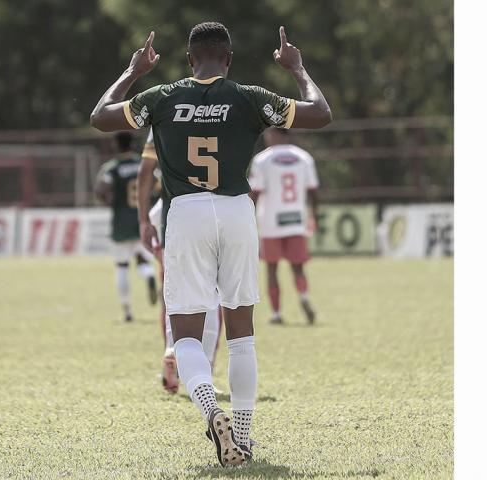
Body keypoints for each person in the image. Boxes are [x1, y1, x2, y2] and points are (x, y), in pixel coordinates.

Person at [90, 22, 332, 467]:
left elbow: (101, 116)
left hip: (185, 212)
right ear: (229, 59)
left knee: (185, 335)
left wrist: (132, 72)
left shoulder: (162, 97)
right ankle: (241, 435)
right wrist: (298, 69)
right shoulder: (251, 97)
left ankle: (210, 411)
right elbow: (320, 113)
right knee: (242, 335)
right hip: (238, 210)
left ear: (188, 60)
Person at [142, 129, 223, 394]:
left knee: (173, 297)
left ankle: (171, 346)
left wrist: (144, 221)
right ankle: (206, 370)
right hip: (215, 218)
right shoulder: (225, 111)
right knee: (213, 300)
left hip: (174, 221)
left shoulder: (165, 118)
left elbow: (146, 170)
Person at [249, 128, 320, 325]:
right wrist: (314, 215)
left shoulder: (262, 160)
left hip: (271, 221)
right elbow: (313, 191)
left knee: (272, 268)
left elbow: (256, 192)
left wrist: (247, 217)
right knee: (298, 266)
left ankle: (276, 313)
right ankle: (303, 295)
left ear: (274, 135)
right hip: (296, 219)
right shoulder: (304, 158)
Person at [95, 132, 158, 322]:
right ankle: (149, 275)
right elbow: (158, 186)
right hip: (141, 219)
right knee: (143, 260)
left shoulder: (112, 168)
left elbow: (100, 191)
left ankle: (127, 311)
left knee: (122, 265)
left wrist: (110, 202)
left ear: (116, 145)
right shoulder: (143, 165)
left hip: (121, 223)